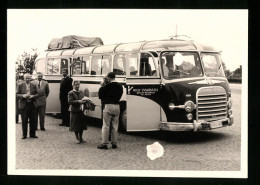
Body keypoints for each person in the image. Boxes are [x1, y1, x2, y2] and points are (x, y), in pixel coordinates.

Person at [97, 72, 123, 149]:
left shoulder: (107, 86)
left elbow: (100, 96)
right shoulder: (120, 86)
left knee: (106, 125)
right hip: (117, 106)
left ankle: (104, 143)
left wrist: (102, 87)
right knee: (115, 126)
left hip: (108, 106)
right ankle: (114, 143)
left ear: (108, 78)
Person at [16, 73, 38, 139]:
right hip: (24, 105)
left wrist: (33, 96)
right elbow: (17, 94)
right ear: (24, 78)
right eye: (26, 78)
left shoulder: (34, 85)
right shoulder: (20, 85)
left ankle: (32, 134)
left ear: (30, 78)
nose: (27, 79)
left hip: (32, 104)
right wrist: (23, 96)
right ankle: (24, 135)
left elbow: (38, 94)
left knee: (33, 120)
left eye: (28, 78)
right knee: (24, 120)